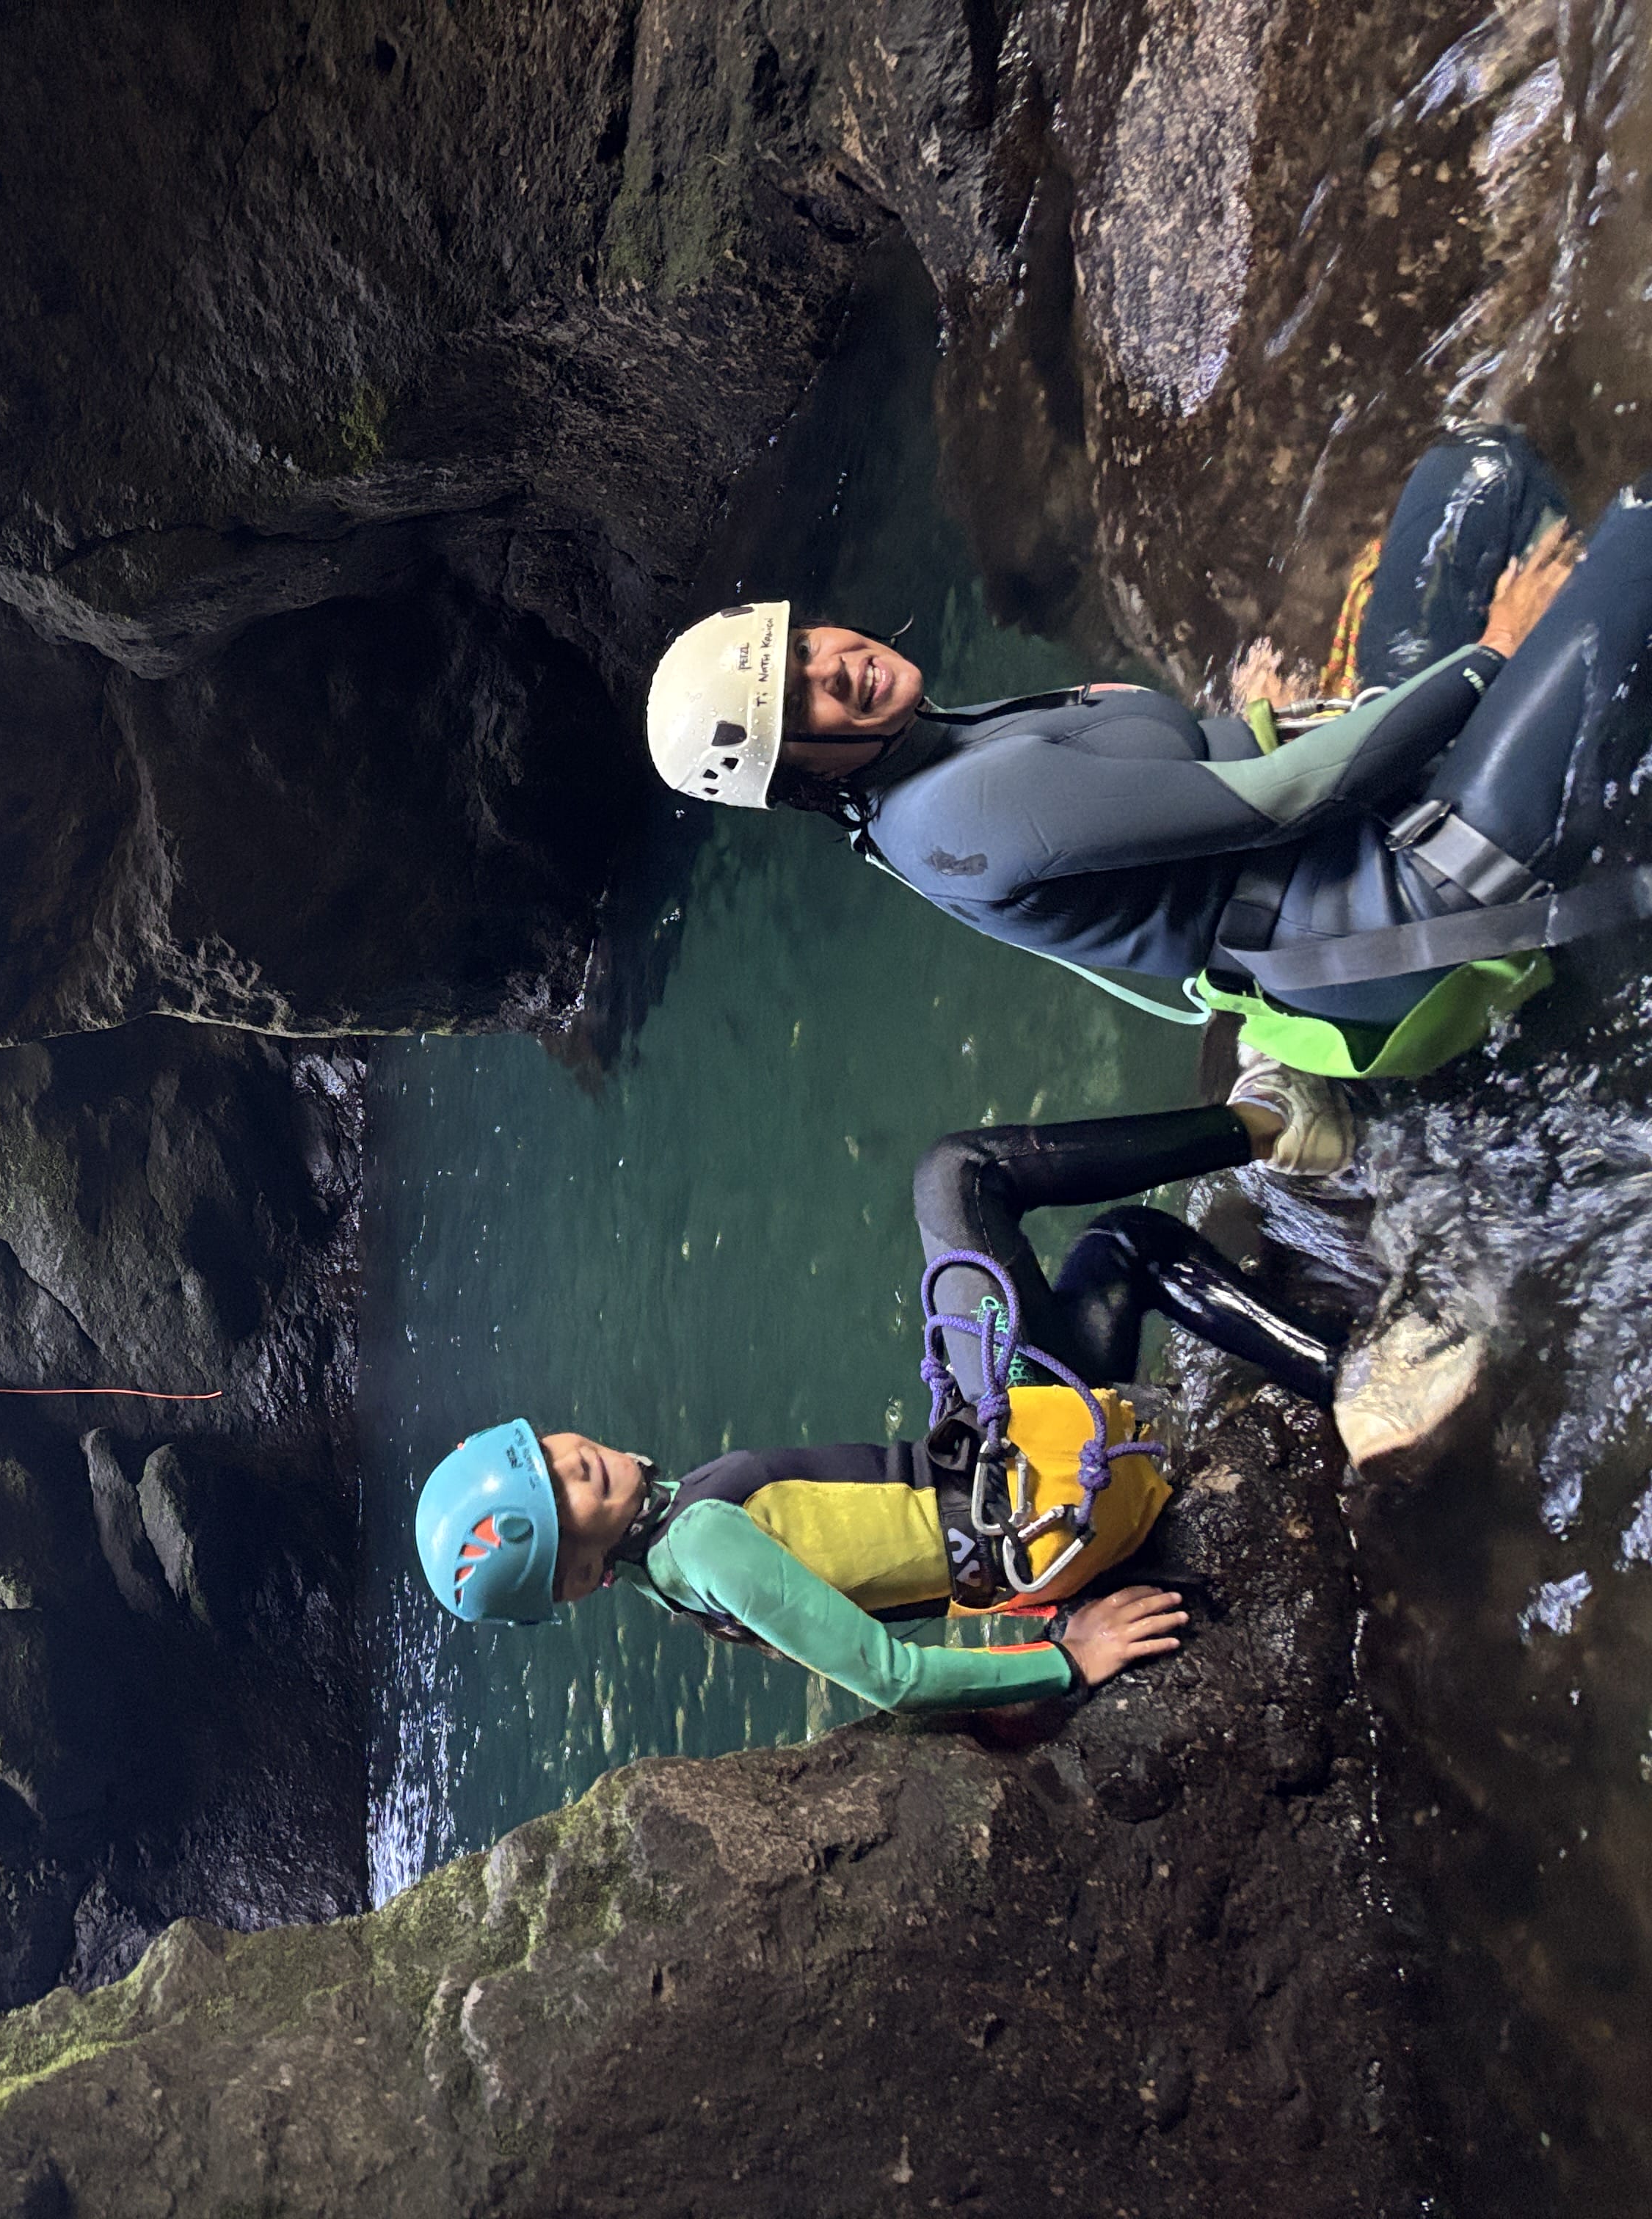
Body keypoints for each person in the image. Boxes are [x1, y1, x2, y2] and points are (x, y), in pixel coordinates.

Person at [643, 429, 1652, 1080]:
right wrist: (1495, 656)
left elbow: (1159, 800)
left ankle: (1598, 704)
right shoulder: (961, 813)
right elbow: (1287, 799)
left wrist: (1251, 723)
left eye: (805, 645)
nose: (839, 664)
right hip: (1412, 892)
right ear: (805, 777)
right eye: (801, 699)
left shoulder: (915, 751)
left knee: (1473, 474)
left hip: (1351, 818)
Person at [412, 1100, 1350, 1714]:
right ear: (581, 1581)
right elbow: (889, 1678)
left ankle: (1341, 1369)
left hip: (1011, 1488)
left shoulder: (682, 1568)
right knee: (956, 1176)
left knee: (1121, 1254)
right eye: (560, 1498)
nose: (574, 1461)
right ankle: (1273, 1126)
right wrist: (1070, 1659)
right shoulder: (699, 1547)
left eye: (547, 1450)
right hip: (1037, 1492)